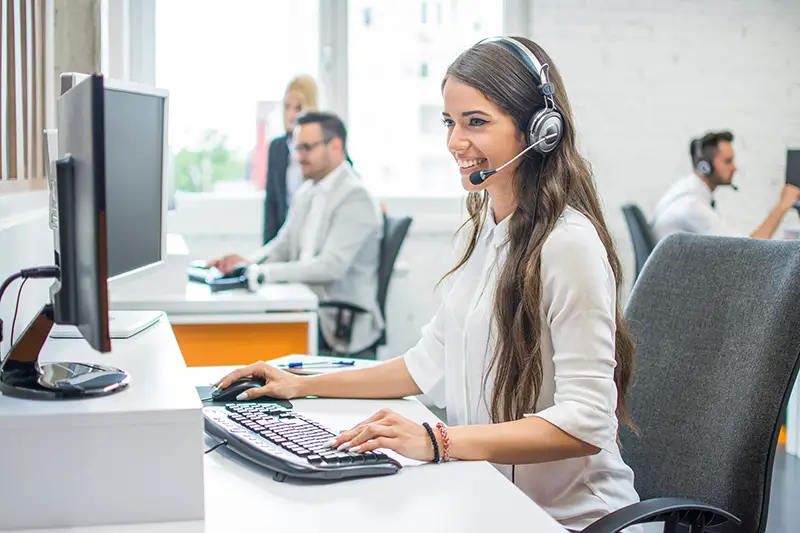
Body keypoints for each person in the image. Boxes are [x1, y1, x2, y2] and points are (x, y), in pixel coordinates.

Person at [214, 37, 640, 531]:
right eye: (449, 122)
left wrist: (439, 441)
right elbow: (422, 364)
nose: (455, 142)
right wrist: (302, 385)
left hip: (569, 519)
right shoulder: (489, 228)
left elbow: (587, 423)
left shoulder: (569, 245)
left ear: (539, 130)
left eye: (475, 122)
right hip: (491, 496)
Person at [210, 111, 384, 355]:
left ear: (335, 146)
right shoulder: (308, 191)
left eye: (307, 148)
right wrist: (247, 262)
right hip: (306, 305)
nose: (298, 157)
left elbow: (330, 267)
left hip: (337, 324)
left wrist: (262, 273)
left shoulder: (355, 197)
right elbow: (282, 244)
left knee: (251, 341)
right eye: (296, 148)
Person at [651, 131, 800, 241]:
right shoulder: (691, 207)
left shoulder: (685, 191)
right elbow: (748, 250)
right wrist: (782, 206)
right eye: (728, 161)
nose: (734, 168)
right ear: (705, 167)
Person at [263, 75, 319, 245]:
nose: (291, 114)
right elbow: (271, 206)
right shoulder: (277, 148)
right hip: (285, 240)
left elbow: (346, 178)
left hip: (314, 238)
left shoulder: (323, 147)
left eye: (298, 107)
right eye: (287, 107)